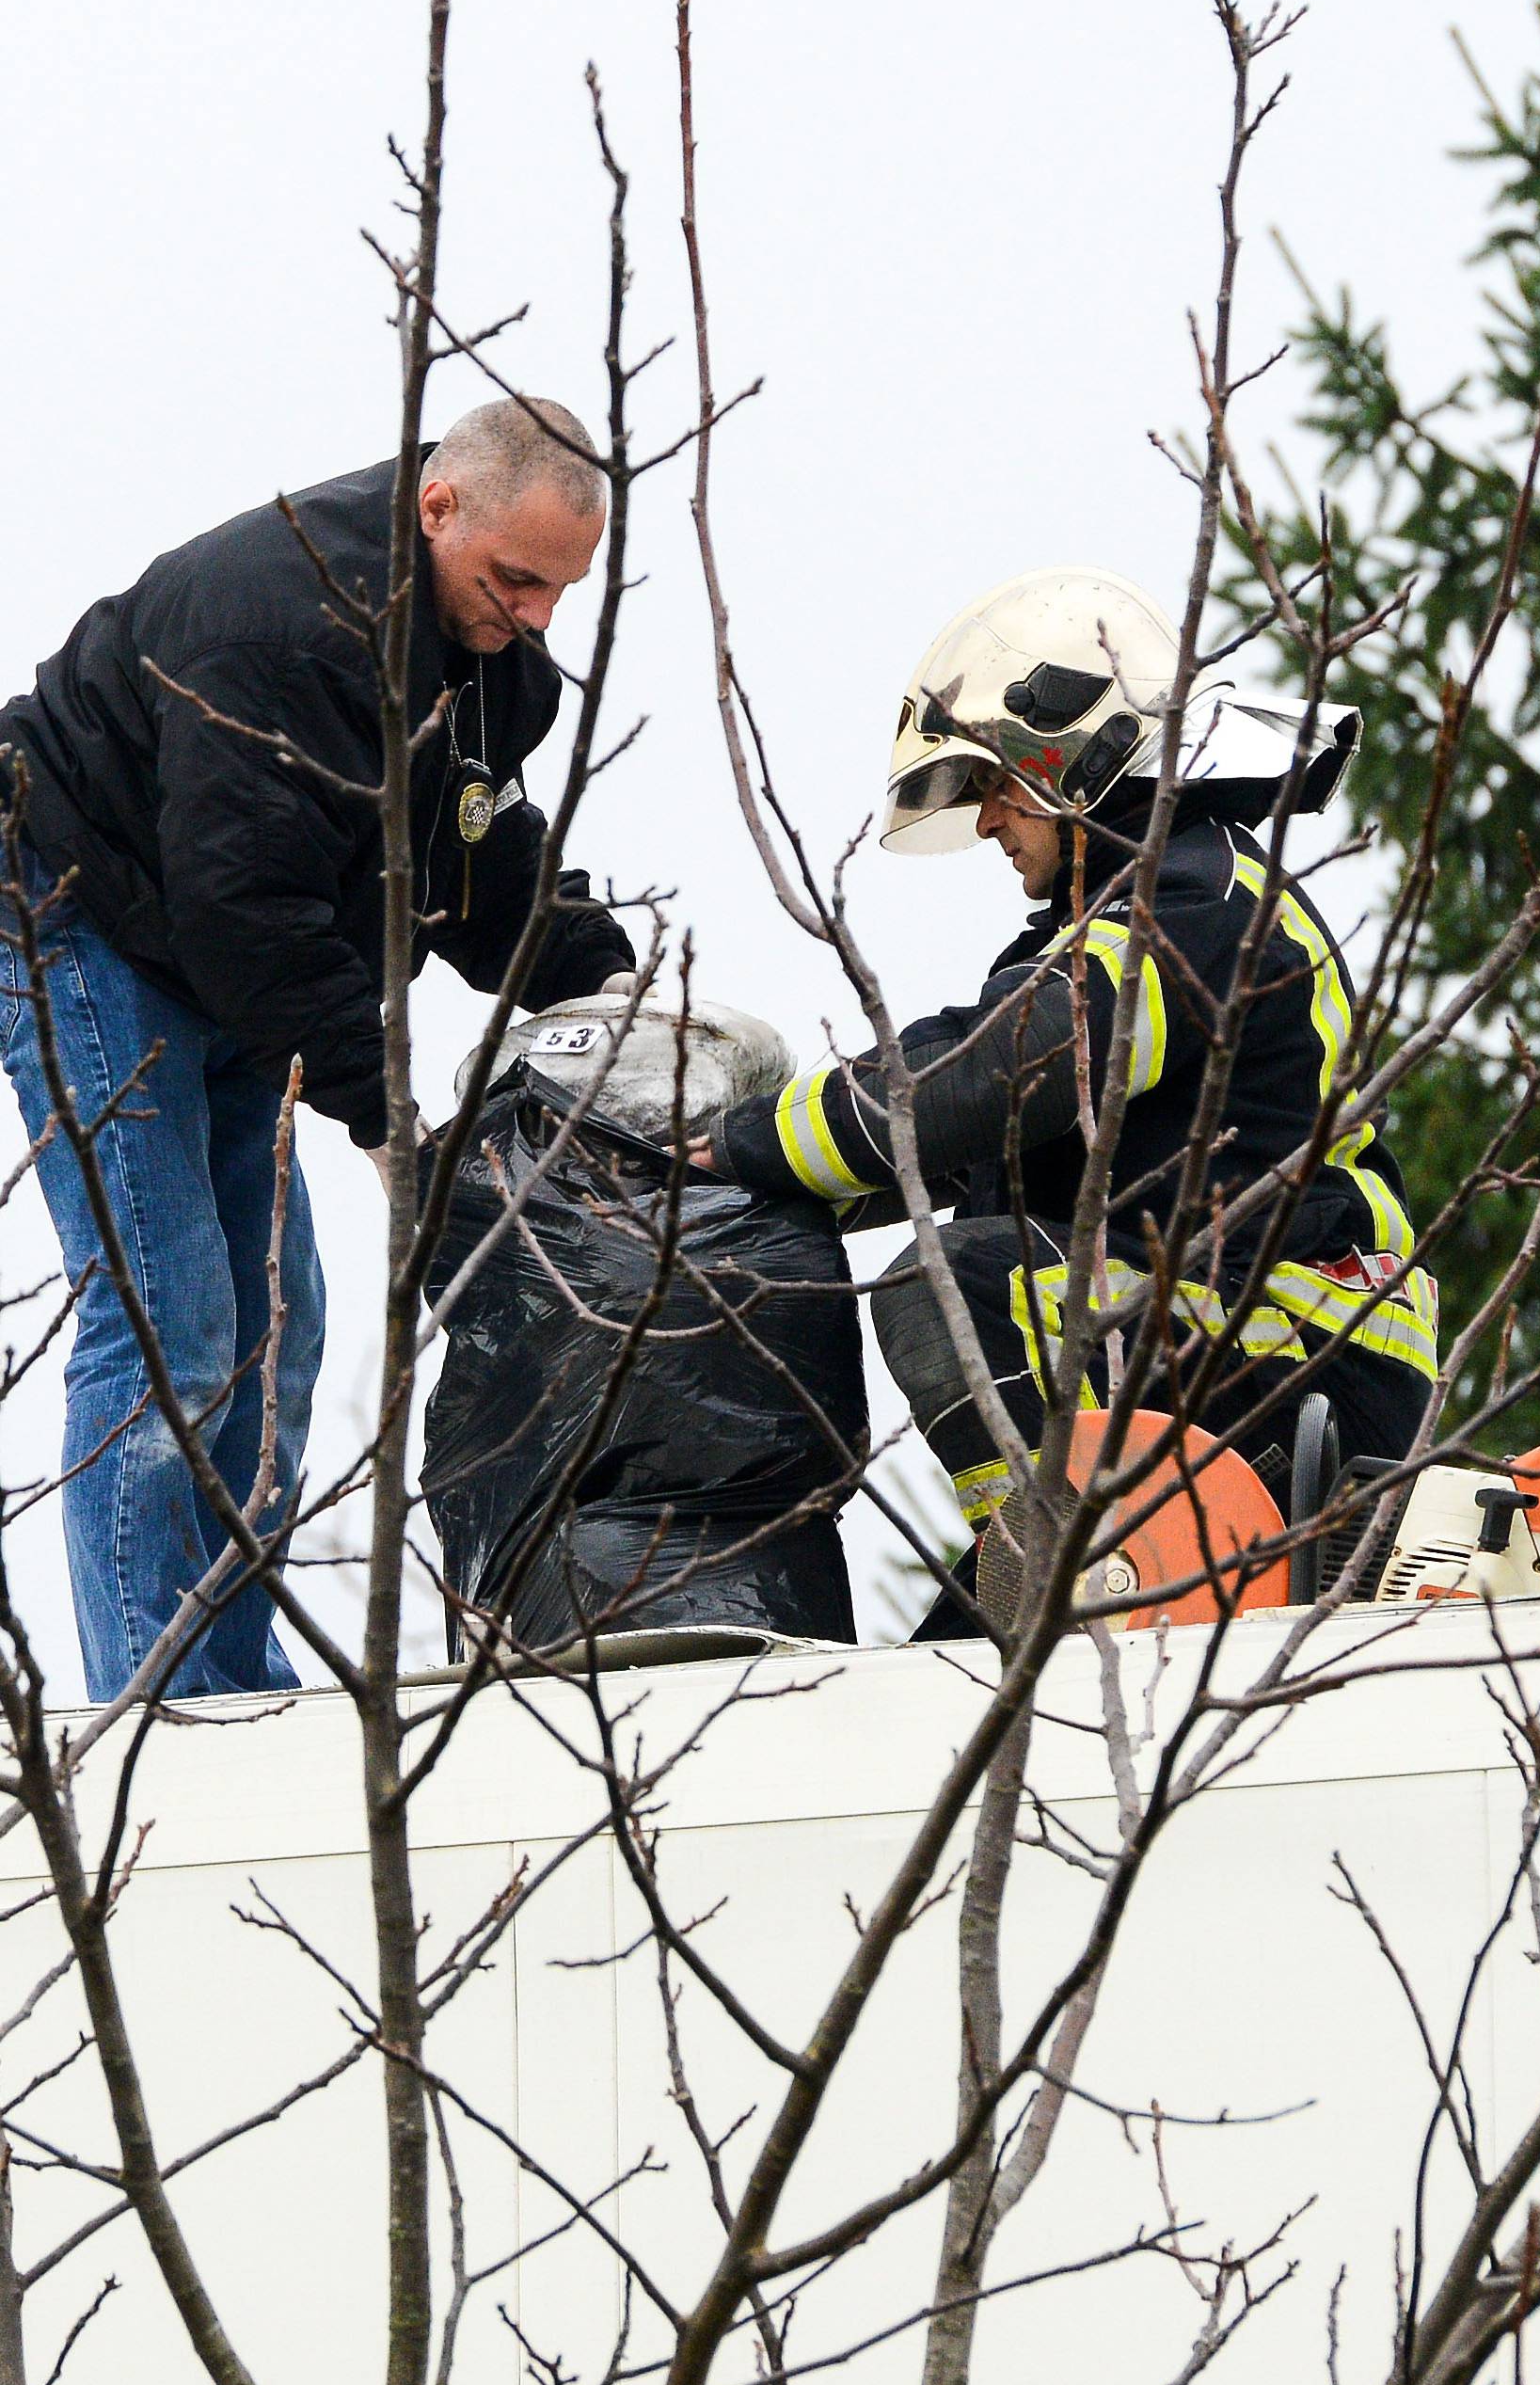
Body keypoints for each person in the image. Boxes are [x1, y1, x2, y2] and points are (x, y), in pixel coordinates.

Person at [0, 398, 633, 1701]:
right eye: (516, 580)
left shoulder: (490, 658)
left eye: (562, 591)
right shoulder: (279, 621)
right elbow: (248, 905)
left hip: (233, 962)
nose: (535, 617)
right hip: (81, 916)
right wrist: (386, 1114)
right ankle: (160, 1706)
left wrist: (602, 977)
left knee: (275, 1336)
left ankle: (235, 1679)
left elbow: (470, 854)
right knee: (169, 1318)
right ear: (436, 504)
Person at [703, 568, 1437, 1629]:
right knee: (946, 1675)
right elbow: (946, 1141)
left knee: (958, 1283)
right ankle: (1051, 1565)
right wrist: (707, 1189)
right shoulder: (1118, 913)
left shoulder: (1202, 899)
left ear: (1074, 761)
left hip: (1303, 1357)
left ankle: (1073, 1573)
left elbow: (1003, 1069)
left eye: (999, 784)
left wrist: (741, 1144)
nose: (992, 822)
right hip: (1212, 1358)